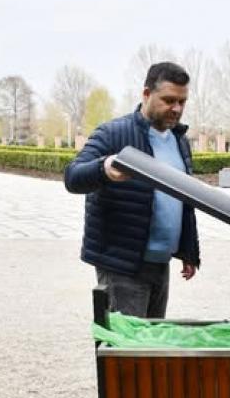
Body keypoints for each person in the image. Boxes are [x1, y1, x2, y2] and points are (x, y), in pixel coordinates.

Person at [64, 62, 200, 318]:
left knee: (151, 348)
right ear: (146, 94)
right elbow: (73, 176)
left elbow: (184, 199)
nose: (177, 109)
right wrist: (103, 168)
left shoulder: (179, 141)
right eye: (169, 100)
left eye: (182, 102)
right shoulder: (113, 133)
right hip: (122, 266)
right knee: (127, 351)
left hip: (161, 265)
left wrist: (188, 250)